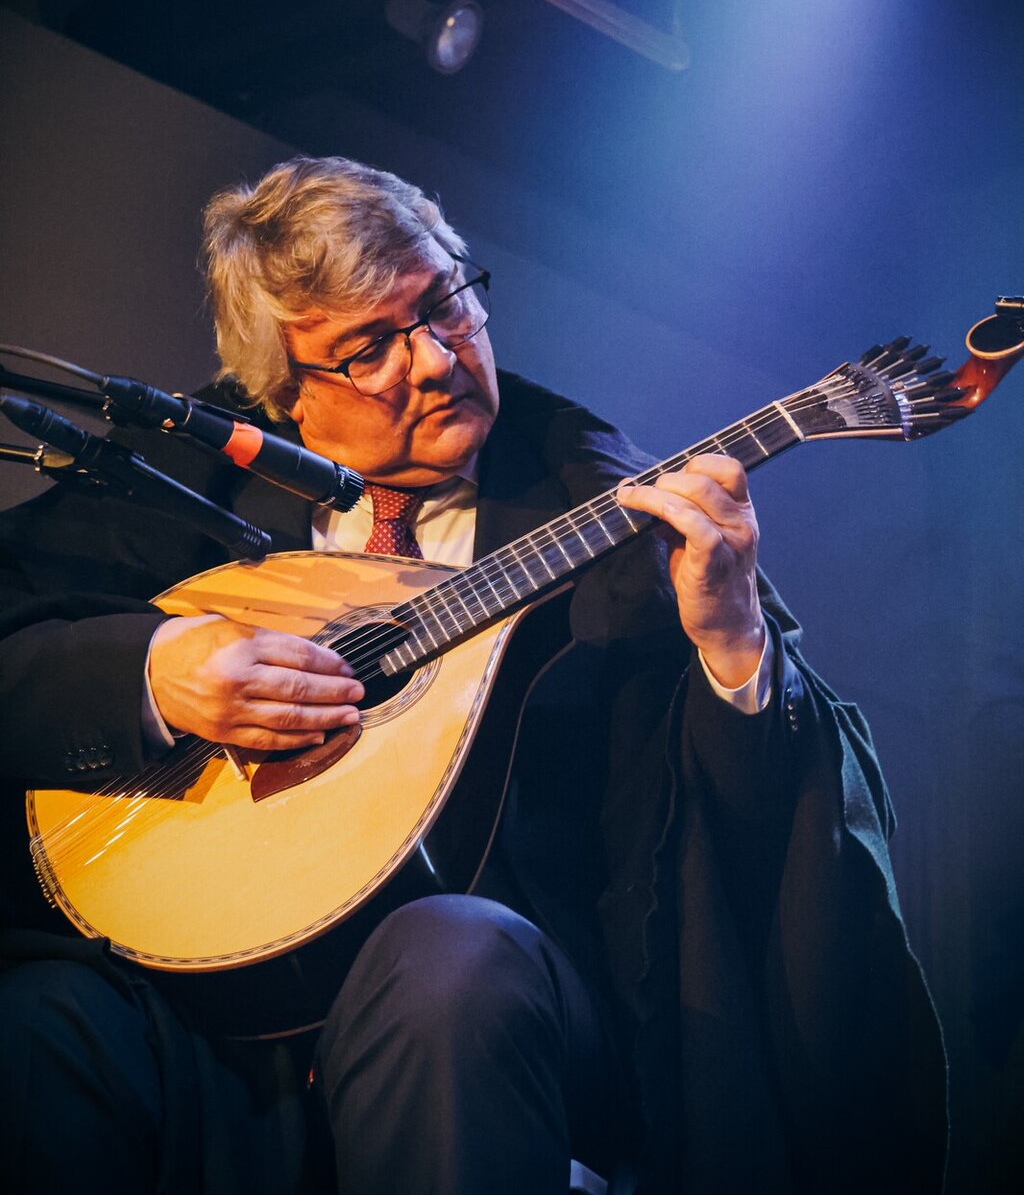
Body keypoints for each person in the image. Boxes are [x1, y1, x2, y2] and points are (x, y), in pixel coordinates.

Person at [0, 157, 947, 1195]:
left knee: (447, 959)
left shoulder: (599, 512)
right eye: (369, 349)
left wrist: (732, 642)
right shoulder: (183, 483)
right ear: (285, 396)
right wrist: (153, 669)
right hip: (213, 1014)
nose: (435, 358)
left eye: (445, 302)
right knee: (43, 1021)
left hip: (489, 1009)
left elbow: (747, 835)